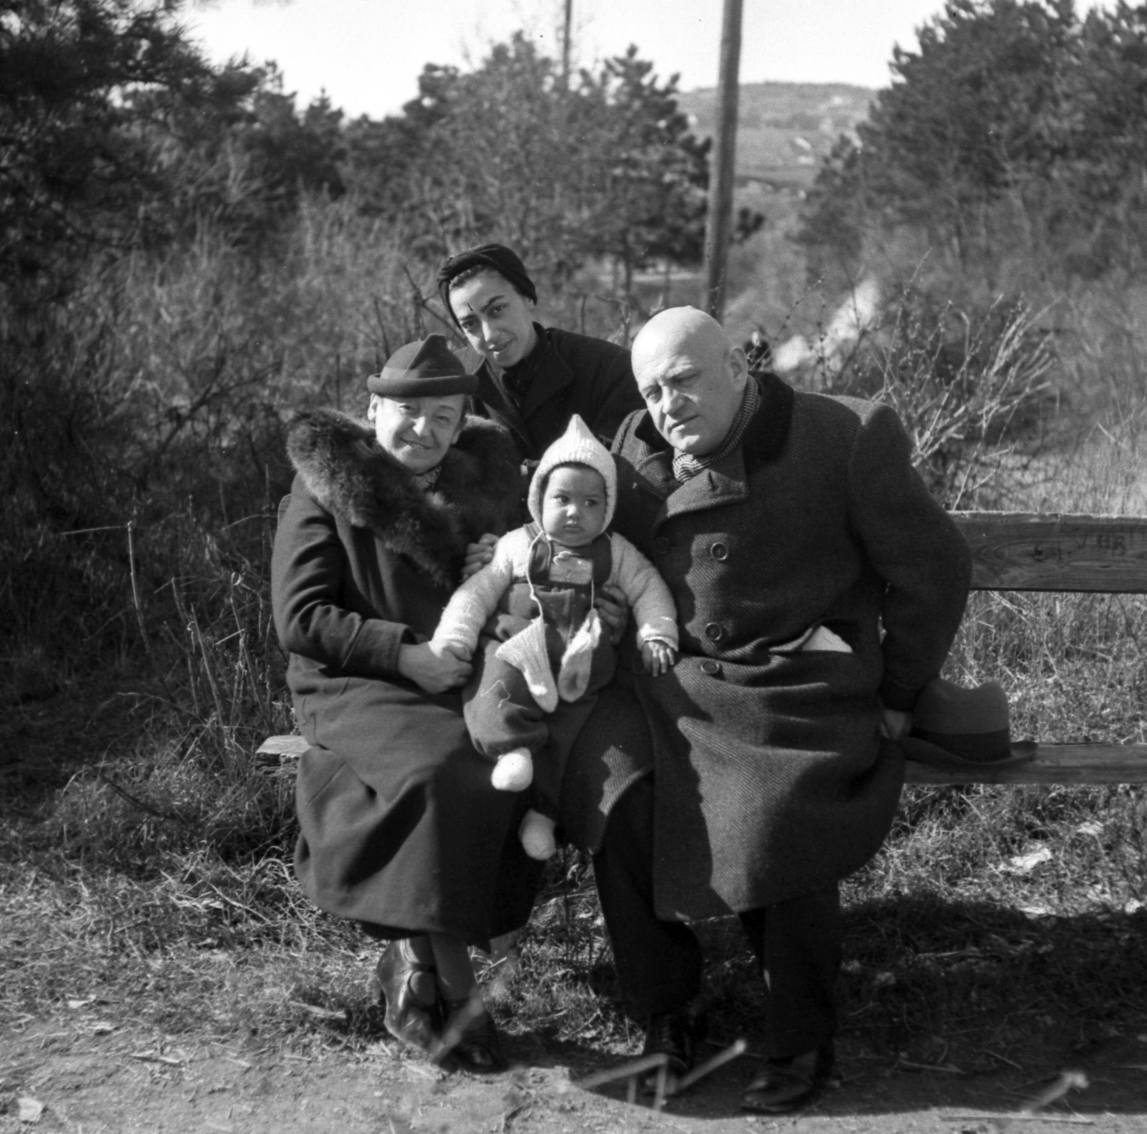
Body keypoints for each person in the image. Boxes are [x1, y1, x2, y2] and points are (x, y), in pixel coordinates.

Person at [567, 307, 973, 1113]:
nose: (667, 404)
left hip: (792, 681)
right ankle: (668, 1013)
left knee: (773, 810)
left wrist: (898, 693)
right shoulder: (631, 453)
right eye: (651, 389)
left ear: (739, 368)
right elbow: (593, 552)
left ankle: (800, 1034)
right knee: (613, 790)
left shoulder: (840, 437)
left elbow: (933, 570)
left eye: (683, 380)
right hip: (667, 682)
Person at [271, 333, 539, 1072]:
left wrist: (501, 565)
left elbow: (529, 573)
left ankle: (410, 965)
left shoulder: (485, 485)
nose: (422, 431)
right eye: (407, 412)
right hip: (357, 678)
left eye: (442, 417)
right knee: (435, 774)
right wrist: (401, 654)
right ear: (373, 409)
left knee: (497, 763)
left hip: (457, 669)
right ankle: (454, 992)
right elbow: (301, 619)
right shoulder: (324, 489)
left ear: (460, 427)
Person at [427, 415, 678, 862]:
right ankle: (509, 748)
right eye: (561, 498)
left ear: (608, 508)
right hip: (514, 650)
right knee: (493, 685)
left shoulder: (617, 552)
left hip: (576, 671)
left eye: (590, 503)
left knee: (568, 736)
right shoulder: (516, 545)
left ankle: (543, 813)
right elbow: (478, 592)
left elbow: (649, 589)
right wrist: (455, 637)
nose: (574, 513)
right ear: (538, 499)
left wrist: (655, 634)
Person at [436, 242, 643, 460]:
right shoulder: (452, 381)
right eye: (470, 324)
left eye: (497, 310)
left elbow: (621, 464)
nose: (489, 334)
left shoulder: (606, 368)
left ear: (527, 297)